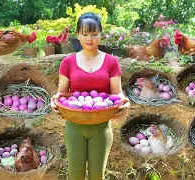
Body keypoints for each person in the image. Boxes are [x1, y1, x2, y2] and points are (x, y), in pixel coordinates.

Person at [50, 12, 130, 180]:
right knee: (76, 175)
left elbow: (117, 94)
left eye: (94, 34)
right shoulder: (68, 62)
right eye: (85, 34)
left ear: (101, 34)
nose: (90, 38)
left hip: (101, 128)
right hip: (74, 127)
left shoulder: (111, 62)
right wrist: (55, 101)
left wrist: (124, 103)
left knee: (97, 176)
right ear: (78, 34)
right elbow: (62, 94)